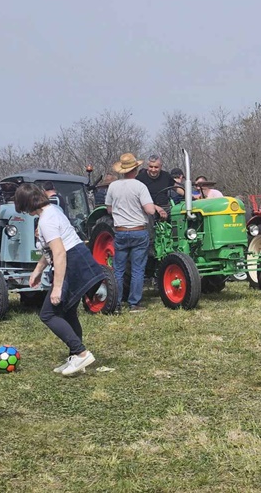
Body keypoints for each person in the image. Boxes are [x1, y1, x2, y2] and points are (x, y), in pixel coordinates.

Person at [15, 183, 104, 376]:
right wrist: (37, 271)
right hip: (78, 258)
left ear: (28, 203)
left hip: (72, 262)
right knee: (68, 310)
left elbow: (60, 253)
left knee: (48, 314)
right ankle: (76, 356)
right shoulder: (52, 210)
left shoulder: (47, 220)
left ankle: (81, 353)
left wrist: (57, 287)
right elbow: (51, 250)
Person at [106, 153, 167, 312]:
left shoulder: (113, 186)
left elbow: (109, 209)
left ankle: (117, 304)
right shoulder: (140, 186)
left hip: (120, 231)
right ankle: (134, 304)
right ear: (136, 168)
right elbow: (148, 209)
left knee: (118, 270)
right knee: (138, 269)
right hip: (139, 232)